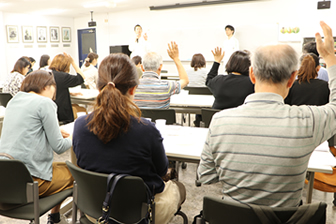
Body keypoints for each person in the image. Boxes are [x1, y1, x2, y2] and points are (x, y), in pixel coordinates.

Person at [198, 21, 336, 207]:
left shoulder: (220, 121)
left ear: (252, 75)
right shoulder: (307, 120)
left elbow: (205, 175)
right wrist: (330, 57)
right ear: (292, 79)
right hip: (284, 219)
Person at [73, 53, 186, 224]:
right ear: (133, 89)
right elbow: (162, 172)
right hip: (141, 214)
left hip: (96, 211)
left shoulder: (80, 125)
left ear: (98, 88)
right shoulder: (147, 130)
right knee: (179, 188)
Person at [0, 71, 73, 224]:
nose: (54, 96)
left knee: (61, 166)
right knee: (75, 173)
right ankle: (55, 218)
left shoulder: (14, 101)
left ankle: (55, 217)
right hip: (30, 182)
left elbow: (25, 128)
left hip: (5, 180)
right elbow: (59, 146)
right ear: (47, 86)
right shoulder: (45, 103)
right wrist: (75, 137)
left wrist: (52, 129)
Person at [134, 41, 189, 109]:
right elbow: (185, 80)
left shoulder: (132, 87)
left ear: (142, 68)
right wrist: (176, 59)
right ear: (160, 67)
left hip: (139, 120)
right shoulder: (167, 86)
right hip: (161, 120)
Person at [49, 53, 85, 124]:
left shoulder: (47, 74)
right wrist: (73, 62)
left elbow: (56, 89)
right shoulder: (63, 77)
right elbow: (81, 77)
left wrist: (69, 93)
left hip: (51, 112)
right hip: (63, 115)